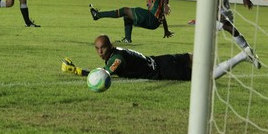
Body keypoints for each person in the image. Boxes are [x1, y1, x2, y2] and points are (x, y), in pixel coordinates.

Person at [60, 34, 255, 81]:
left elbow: (103, 75)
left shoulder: (116, 59)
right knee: (193, 57)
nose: (100, 52)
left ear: (109, 46)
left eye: (102, 48)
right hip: (161, 59)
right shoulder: (117, 50)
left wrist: (77, 71)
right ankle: (242, 56)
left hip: (164, 70)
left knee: (207, 77)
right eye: (97, 49)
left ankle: (242, 56)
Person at [189, 0, 261, 68]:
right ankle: (248, 52)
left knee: (230, 30)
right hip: (211, 10)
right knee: (223, 31)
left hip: (224, 9)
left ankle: (248, 53)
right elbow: (203, 3)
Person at [89, 0, 173, 43]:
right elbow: (161, 14)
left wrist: (166, 5)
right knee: (127, 16)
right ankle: (127, 39)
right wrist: (166, 30)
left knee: (125, 10)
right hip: (154, 23)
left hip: (151, 18)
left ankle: (97, 15)